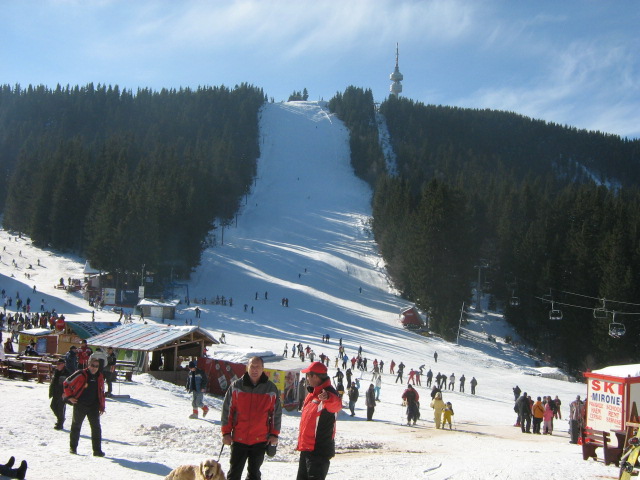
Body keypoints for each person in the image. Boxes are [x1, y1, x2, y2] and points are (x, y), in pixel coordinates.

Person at [221, 356, 281, 480]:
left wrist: (274, 434)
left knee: (254, 475)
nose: (254, 369)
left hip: (260, 440)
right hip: (239, 438)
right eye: (252, 366)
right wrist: (226, 433)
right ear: (247, 367)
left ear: (263, 368)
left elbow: (276, 413)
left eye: (257, 367)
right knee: (234, 474)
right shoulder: (236, 386)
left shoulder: (270, 389)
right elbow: (227, 410)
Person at [297, 361, 342, 480]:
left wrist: (328, 398)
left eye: (308, 375)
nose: (307, 378)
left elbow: (337, 405)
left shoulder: (329, 393)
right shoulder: (312, 393)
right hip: (307, 448)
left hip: (319, 450)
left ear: (315, 377)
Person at [63, 359, 106, 456]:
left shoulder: (100, 376)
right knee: (76, 426)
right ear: (88, 365)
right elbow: (66, 383)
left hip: (94, 406)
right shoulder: (81, 373)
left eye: (96, 366)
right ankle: (73, 448)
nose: (94, 368)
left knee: (96, 428)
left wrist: (102, 406)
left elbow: (101, 392)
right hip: (80, 404)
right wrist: (69, 397)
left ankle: (97, 451)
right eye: (92, 365)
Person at [50, 358, 70, 430]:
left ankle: (60, 424)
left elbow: (69, 384)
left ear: (63, 364)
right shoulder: (56, 371)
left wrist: (65, 392)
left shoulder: (66, 373)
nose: (57, 365)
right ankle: (60, 419)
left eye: (59, 364)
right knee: (53, 406)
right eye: (57, 364)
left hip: (62, 393)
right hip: (55, 392)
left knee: (60, 409)